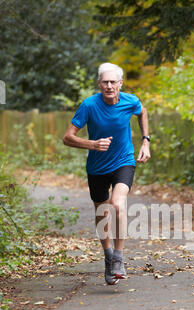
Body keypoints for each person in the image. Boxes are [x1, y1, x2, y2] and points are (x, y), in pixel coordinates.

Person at [63, 62, 151, 285]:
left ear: (120, 83)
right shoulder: (89, 105)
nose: (109, 86)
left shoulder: (130, 101)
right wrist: (92, 144)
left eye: (113, 82)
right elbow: (67, 137)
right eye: (105, 82)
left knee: (119, 204)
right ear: (99, 84)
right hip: (97, 168)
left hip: (124, 161)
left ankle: (118, 259)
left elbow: (143, 112)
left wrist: (145, 141)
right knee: (102, 212)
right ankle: (108, 256)